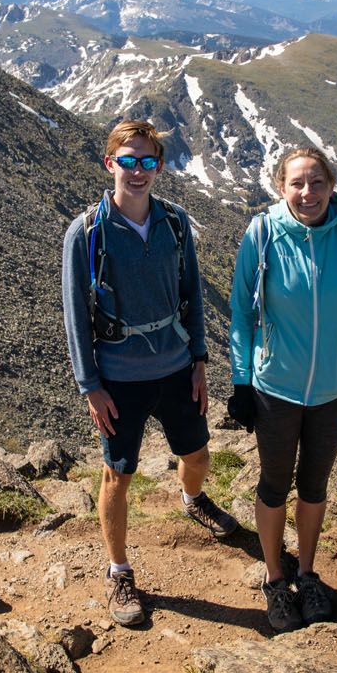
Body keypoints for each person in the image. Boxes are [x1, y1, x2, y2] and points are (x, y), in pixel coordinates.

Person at [62, 119, 238, 627]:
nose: (137, 171)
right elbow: (75, 311)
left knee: (199, 453)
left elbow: (192, 296)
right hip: (118, 377)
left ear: (158, 166)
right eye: (128, 160)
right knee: (118, 473)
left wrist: (201, 359)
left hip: (178, 367)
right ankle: (119, 571)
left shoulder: (176, 224)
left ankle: (193, 498)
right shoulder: (87, 231)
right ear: (109, 163)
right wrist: (90, 386)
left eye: (147, 162)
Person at [227, 146, 337, 632]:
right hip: (275, 387)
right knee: (275, 486)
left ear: (332, 185)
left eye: (317, 182)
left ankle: (309, 572)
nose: (308, 192)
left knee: (315, 487)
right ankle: (276, 579)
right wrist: (240, 380)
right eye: (297, 183)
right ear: (281, 187)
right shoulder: (264, 233)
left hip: (333, 390)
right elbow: (242, 312)